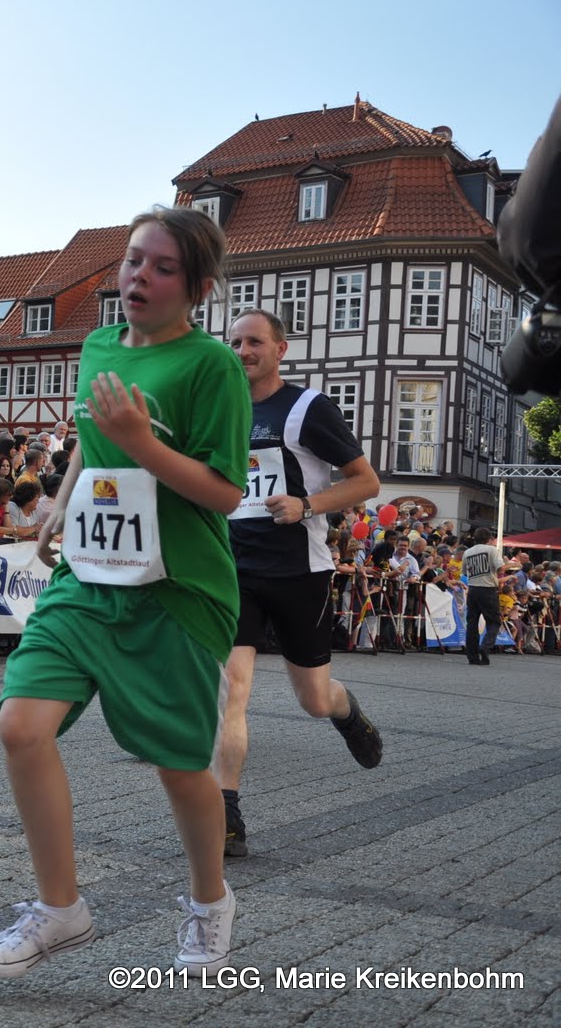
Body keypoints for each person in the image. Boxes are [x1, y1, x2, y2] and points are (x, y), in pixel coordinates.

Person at [0, 207, 250, 983]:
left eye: (163, 267)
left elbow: (225, 492)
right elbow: (91, 442)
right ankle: (60, 907)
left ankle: (210, 900)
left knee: (178, 764)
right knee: (20, 725)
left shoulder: (211, 367)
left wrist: (141, 443)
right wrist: (61, 505)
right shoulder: (98, 345)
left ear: (197, 288)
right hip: (88, 577)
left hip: (177, 589)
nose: (140, 276)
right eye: (134, 260)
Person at [212, 309, 384, 859]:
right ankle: (225, 815)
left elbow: (366, 482)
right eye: (235, 342)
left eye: (254, 342)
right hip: (236, 568)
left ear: (280, 349)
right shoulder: (221, 410)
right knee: (231, 688)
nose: (243, 351)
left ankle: (346, 711)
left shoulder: (308, 408)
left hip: (300, 572)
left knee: (313, 698)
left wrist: (306, 504)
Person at [462, 527, 509, 665]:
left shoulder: (467, 552)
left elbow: (464, 572)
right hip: (488, 589)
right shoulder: (492, 550)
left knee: (472, 623)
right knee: (494, 621)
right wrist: (513, 564)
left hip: (473, 589)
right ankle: (485, 646)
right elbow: (500, 569)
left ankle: (472, 656)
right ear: (489, 539)